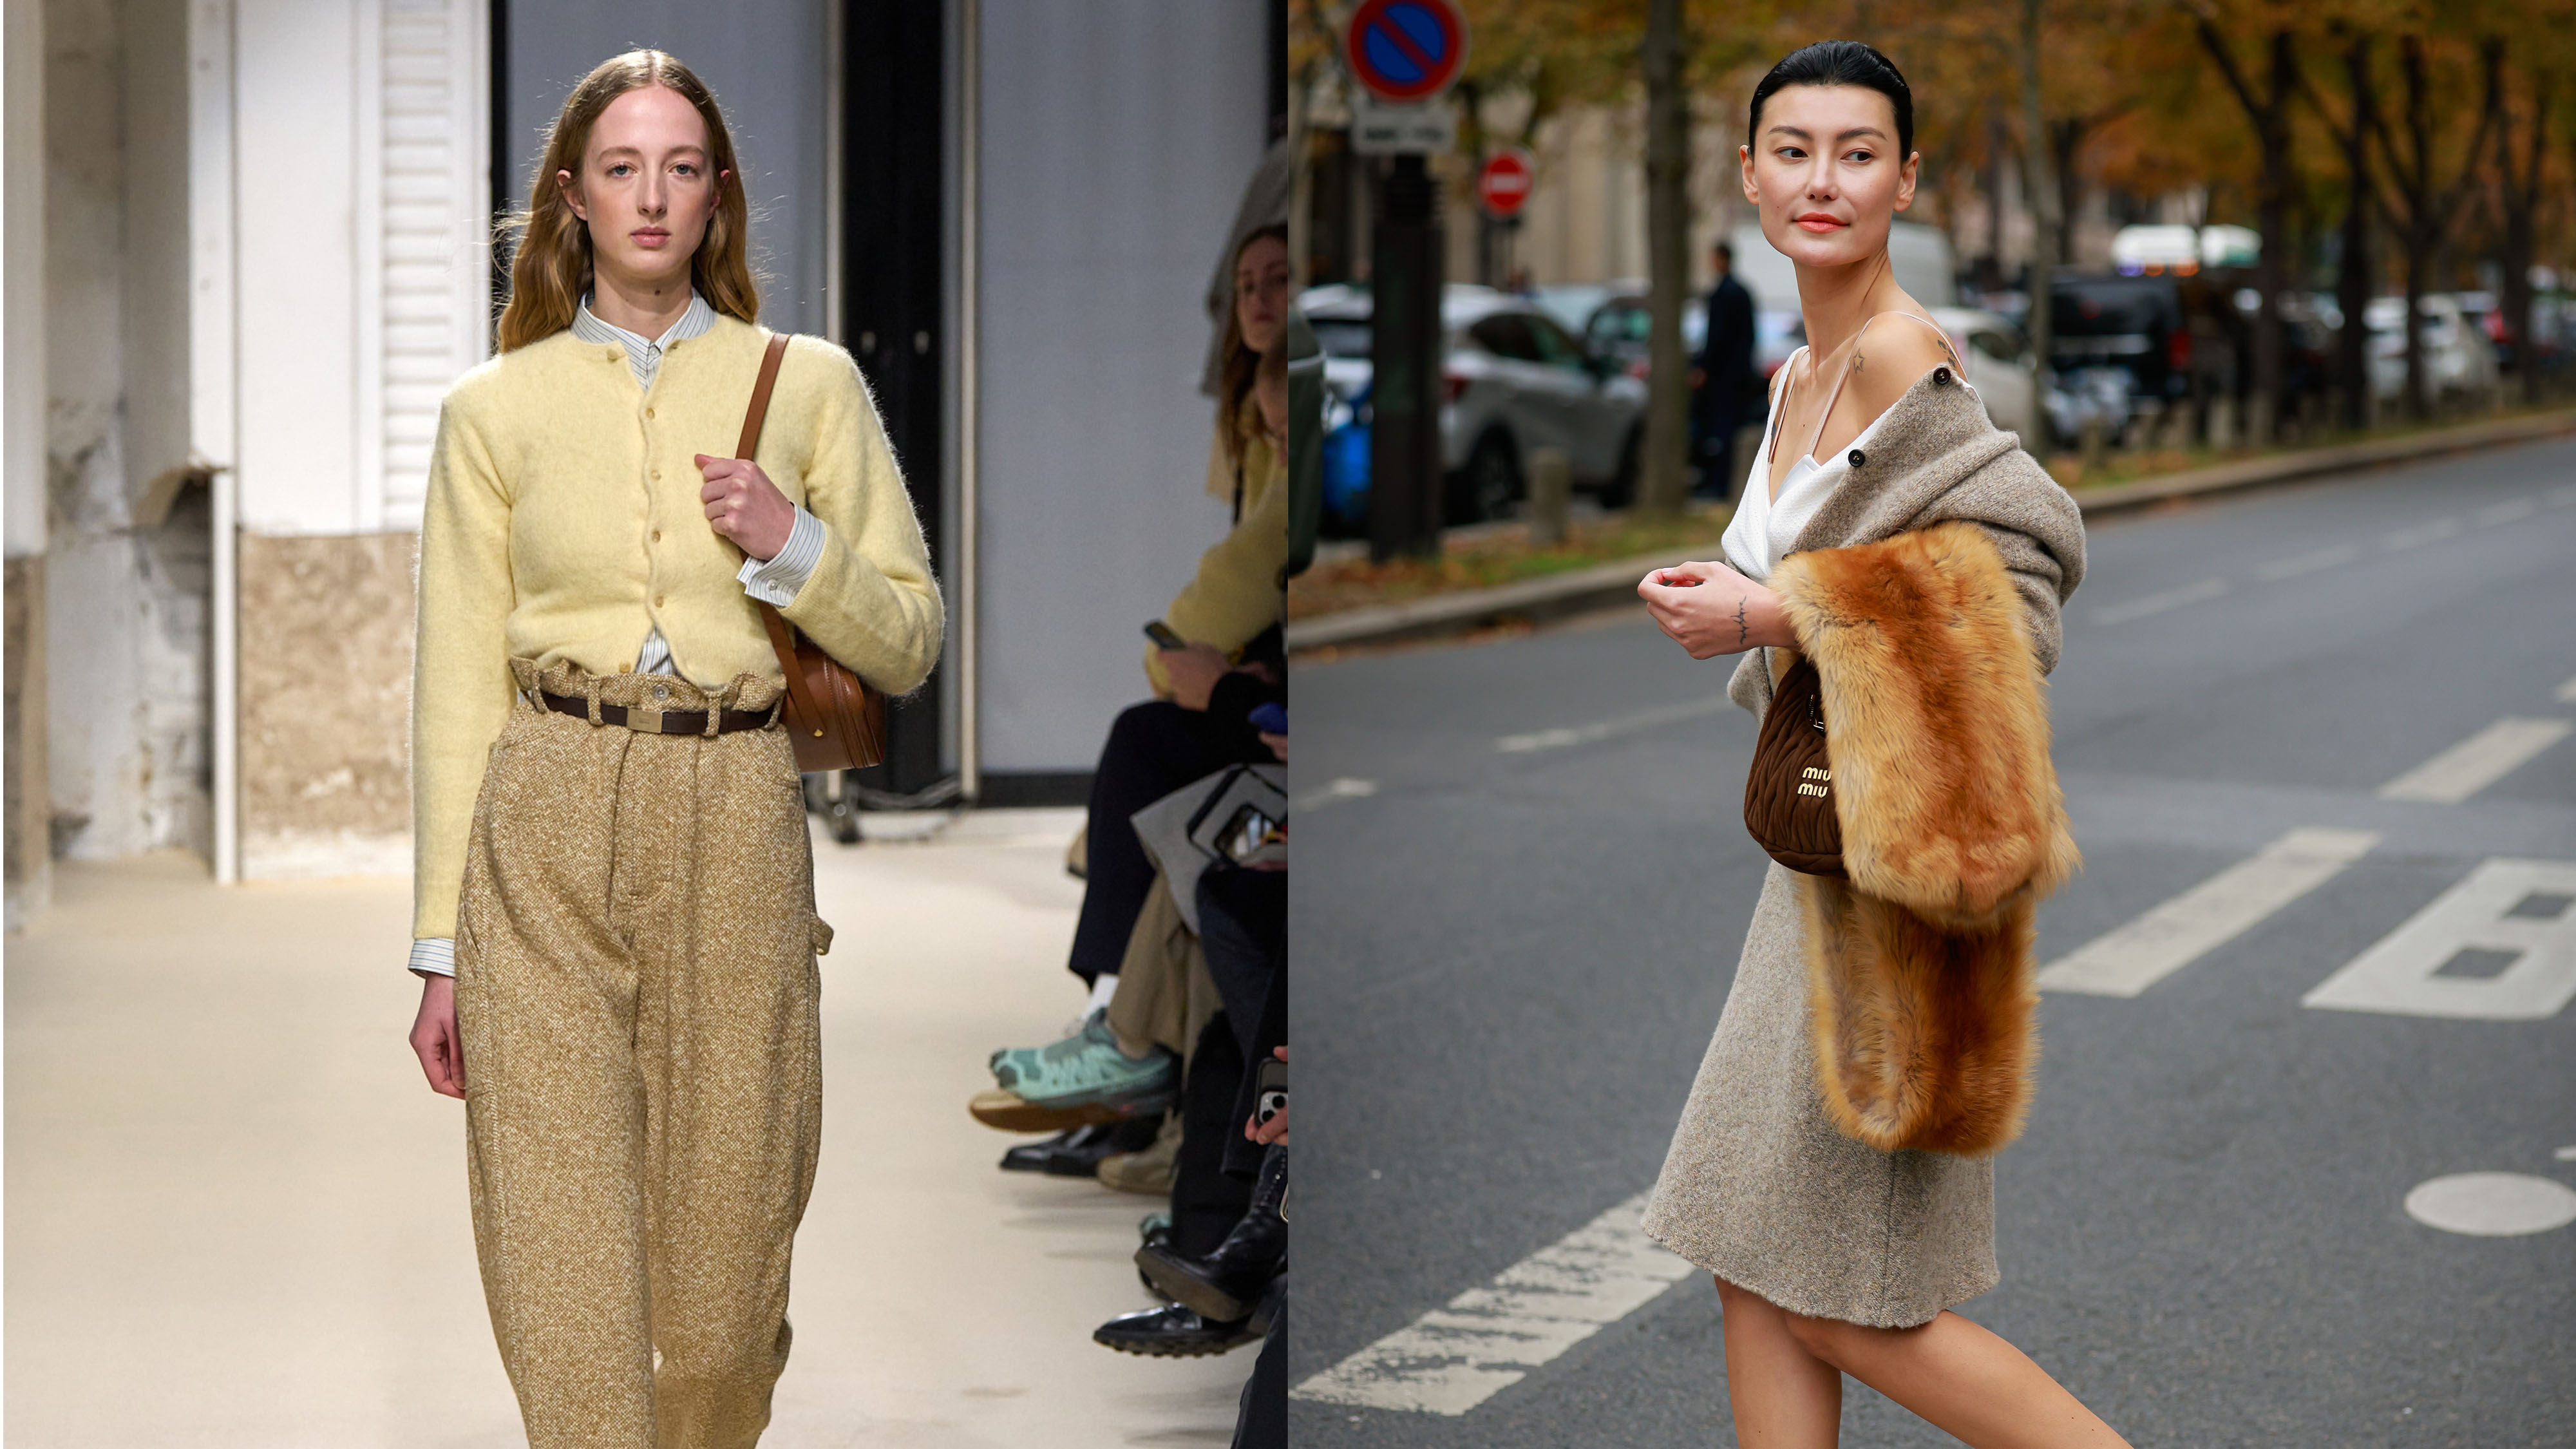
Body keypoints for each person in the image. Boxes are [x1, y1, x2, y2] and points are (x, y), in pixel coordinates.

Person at [401, 50, 943, 1446]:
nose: (653, 196)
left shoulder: (806, 386)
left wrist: (792, 544)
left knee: (720, 1290)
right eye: (623, 167)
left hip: (734, 803)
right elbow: (459, 685)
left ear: (718, 201)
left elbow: (909, 640)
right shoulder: (492, 410)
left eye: (682, 168)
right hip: (544, 806)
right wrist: (436, 951)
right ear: (572, 197)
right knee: (559, 1266)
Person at [1630, 42, 2130, 1449]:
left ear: (1905, 179)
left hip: (1887, 891)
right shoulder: (1803, 376)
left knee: (1848, 1302)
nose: (1821, 180)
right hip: (1816, 866)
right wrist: (1745, 603)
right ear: (1746, 172)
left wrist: (1773, 605)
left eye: (1857, 152)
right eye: (1790, 149)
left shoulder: (1907, 356)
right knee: (1752, 1252)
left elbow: (2022, 570)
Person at [1690, 238, 1758, 499]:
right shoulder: (1742, 292)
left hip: (1723, 376)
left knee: (1721, 431)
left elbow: (1716, 336)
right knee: (1730, 429)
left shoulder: (1724, 294)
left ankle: (1718, 485)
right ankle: (1722, 483)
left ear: (1720, 259)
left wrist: (1704, 368)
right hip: (1737, 374)